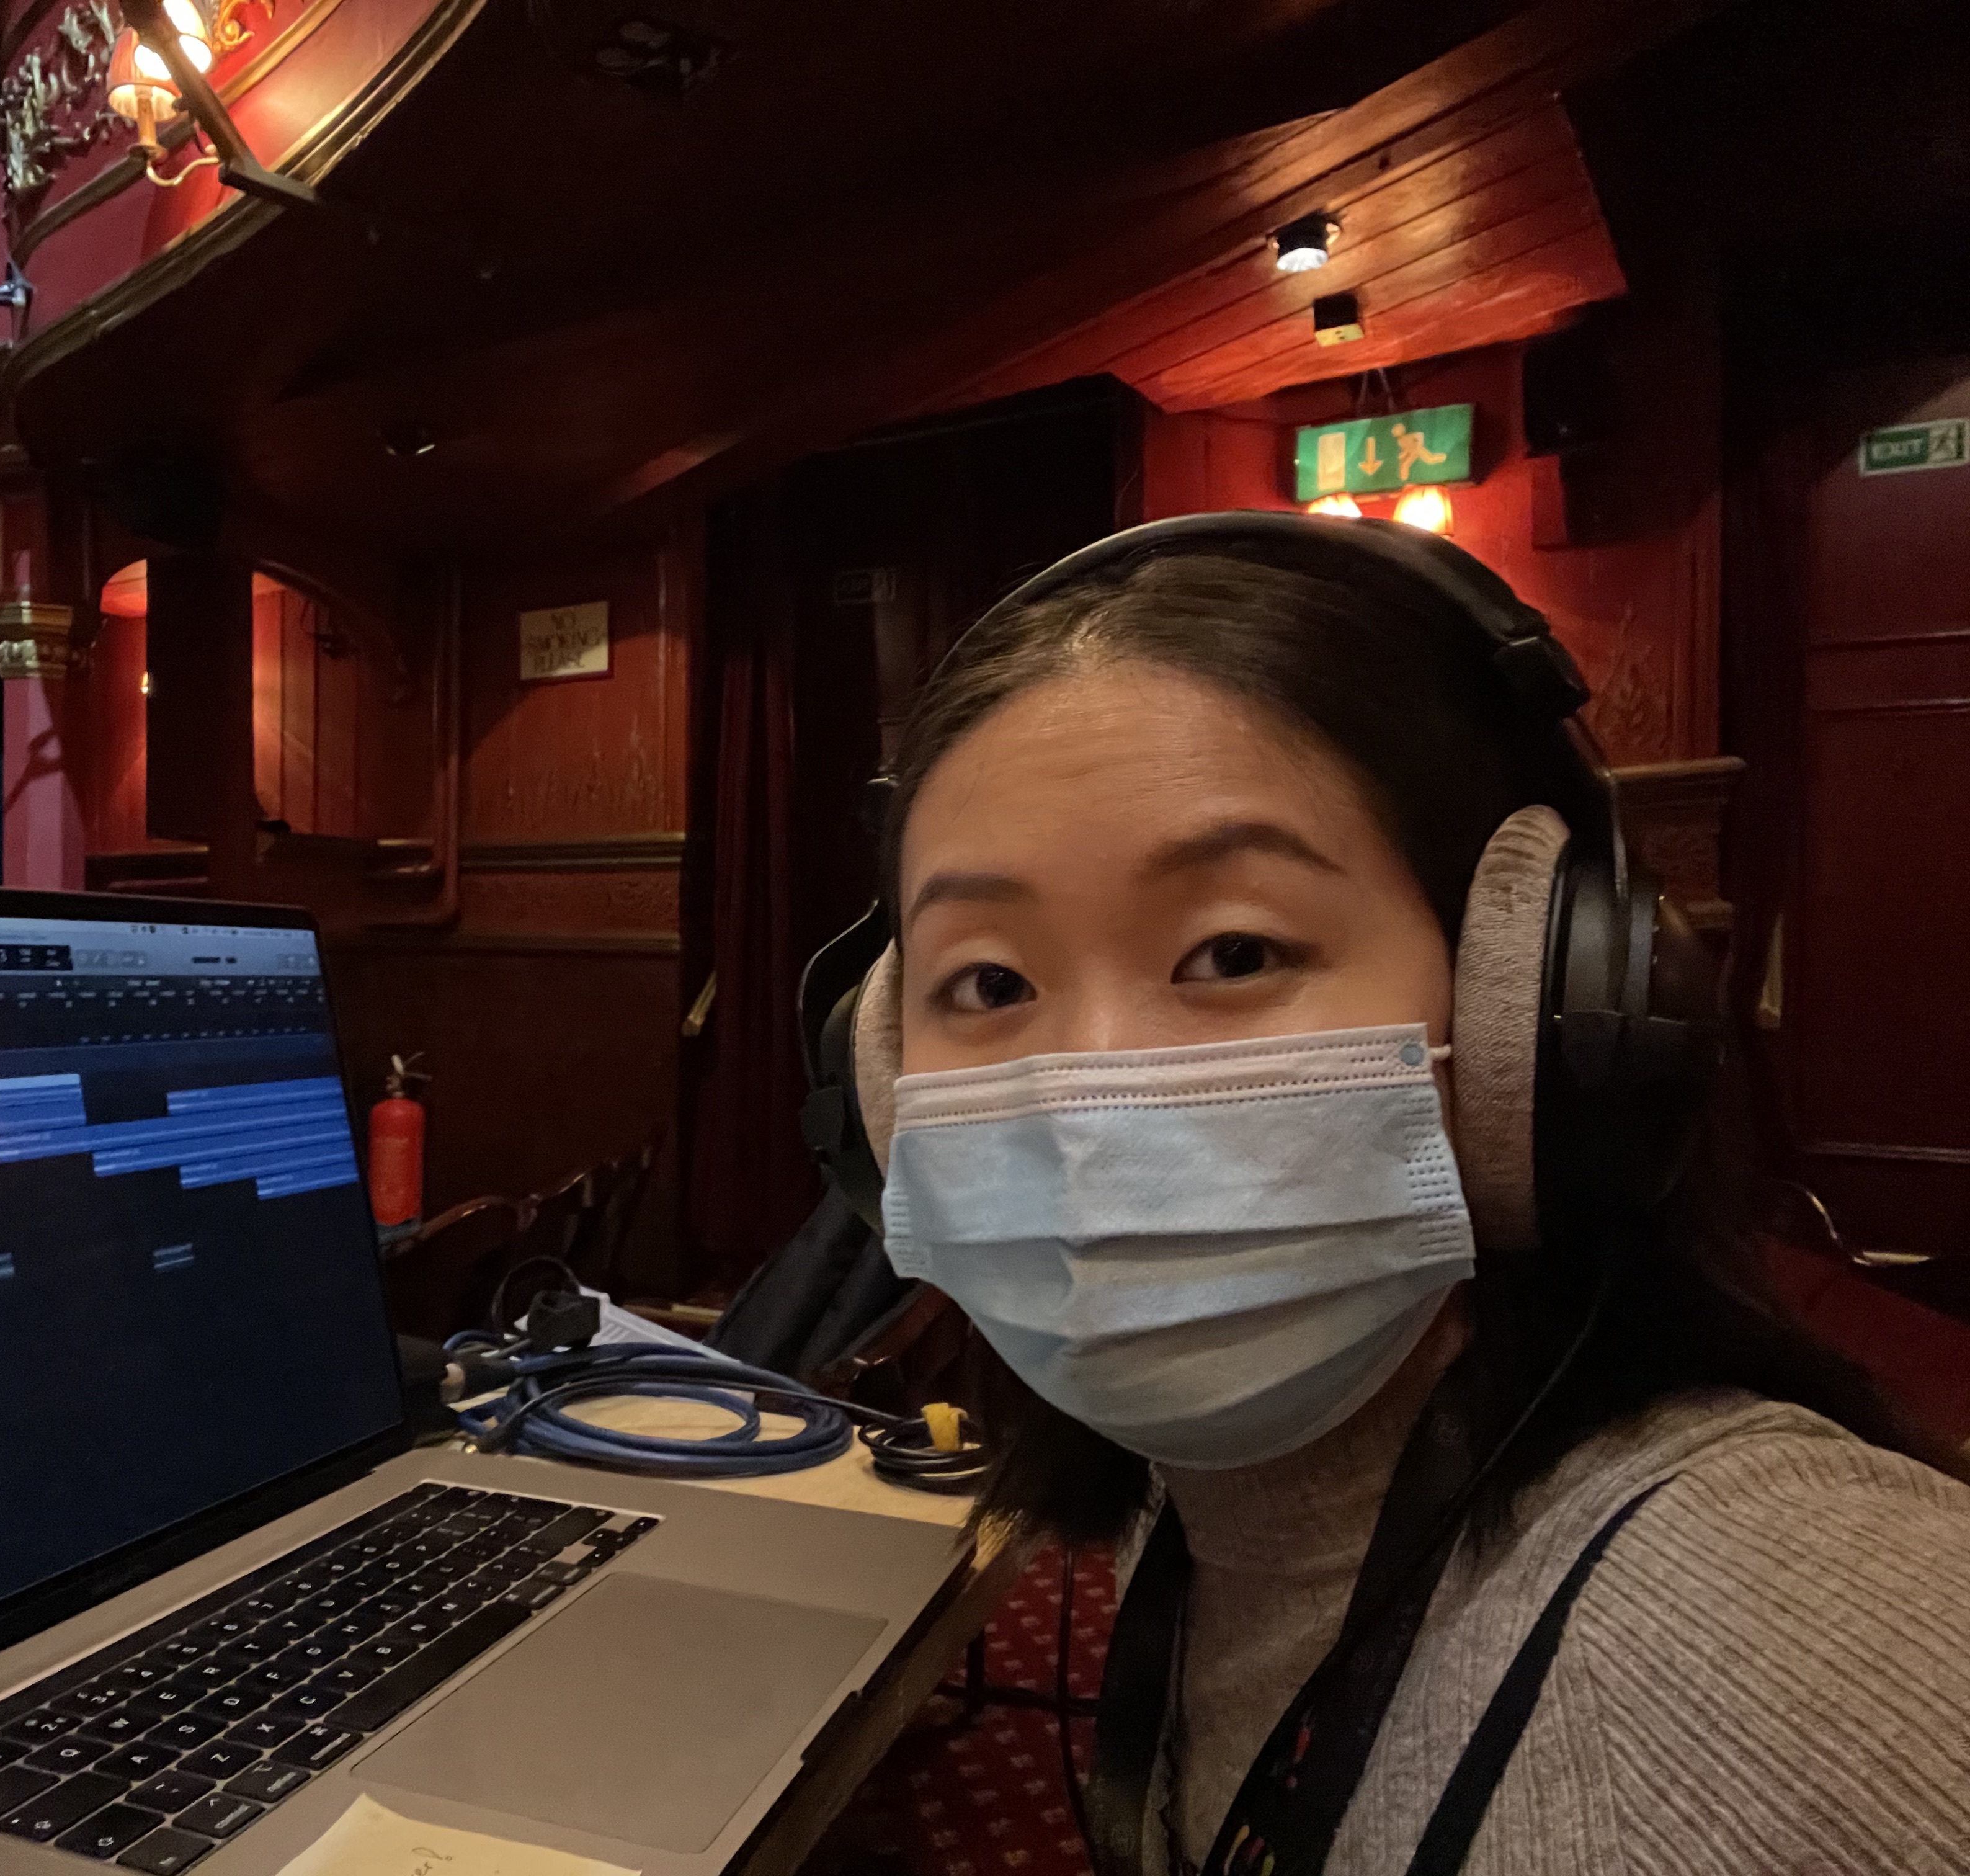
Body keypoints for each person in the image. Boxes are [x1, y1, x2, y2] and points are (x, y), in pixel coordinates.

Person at [834, 518, 1970, 1876]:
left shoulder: (1812, 1643)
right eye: (992, 985)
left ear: (1536, 1024)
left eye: (1234, 950)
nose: (1093, 1093)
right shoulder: (1181, 1526)